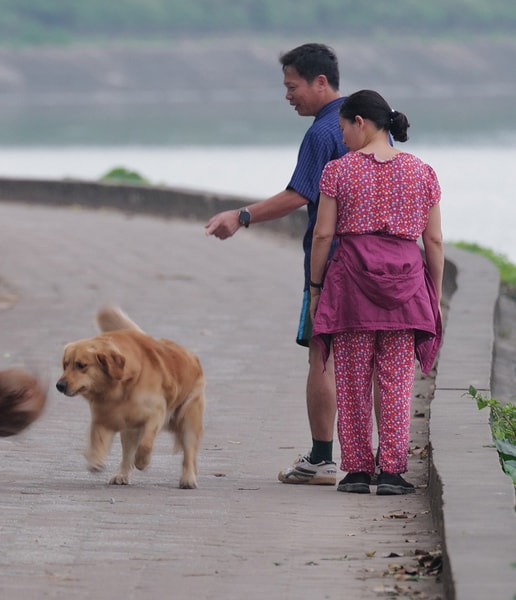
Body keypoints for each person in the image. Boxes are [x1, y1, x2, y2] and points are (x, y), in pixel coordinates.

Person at [205, 43, 347, 485]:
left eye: (292, 86)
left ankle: (323, 459)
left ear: (319, 82)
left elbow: (299, 195)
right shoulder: (371, 123)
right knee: (374, 361)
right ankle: (383, 460)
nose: (288, 96)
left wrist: (241, 215)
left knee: (321, 358)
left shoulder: (323, 132)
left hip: (331, 264)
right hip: (379, 263)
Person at [309, 90, 443, 495]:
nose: (343, 137)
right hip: (405, 286)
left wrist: (316, 287)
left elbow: (323, 233)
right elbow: (434, 240)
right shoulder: (423, 172)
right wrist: (432, 291)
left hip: (352, 283)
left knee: (351, 380)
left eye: (344, 128)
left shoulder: (338, 172)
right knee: (397, 382)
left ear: (360, 122)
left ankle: (356, 473)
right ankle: (391, 473)